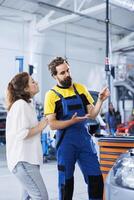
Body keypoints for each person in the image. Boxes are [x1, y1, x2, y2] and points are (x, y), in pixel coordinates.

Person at [44, 57, 110, 200]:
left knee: (96, 180)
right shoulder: (51, 95)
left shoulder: (80, 88)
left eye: (68, 70)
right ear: (55, 76)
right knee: (66, 185)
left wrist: (100, 100)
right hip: (66, 144)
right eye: (62, 73)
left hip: (84, 141)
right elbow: (52, 124)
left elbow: (92, 114)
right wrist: (70, 121)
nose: (67, 74)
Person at [6, 72, 49, 200]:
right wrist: (42, 125)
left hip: (27, 160)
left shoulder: (27, 105)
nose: (36, 83)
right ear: (25, 88)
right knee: (41, 197)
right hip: (23, 161)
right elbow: (22, 133)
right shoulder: (20, 105)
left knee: (28, 197)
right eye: (32, 82)